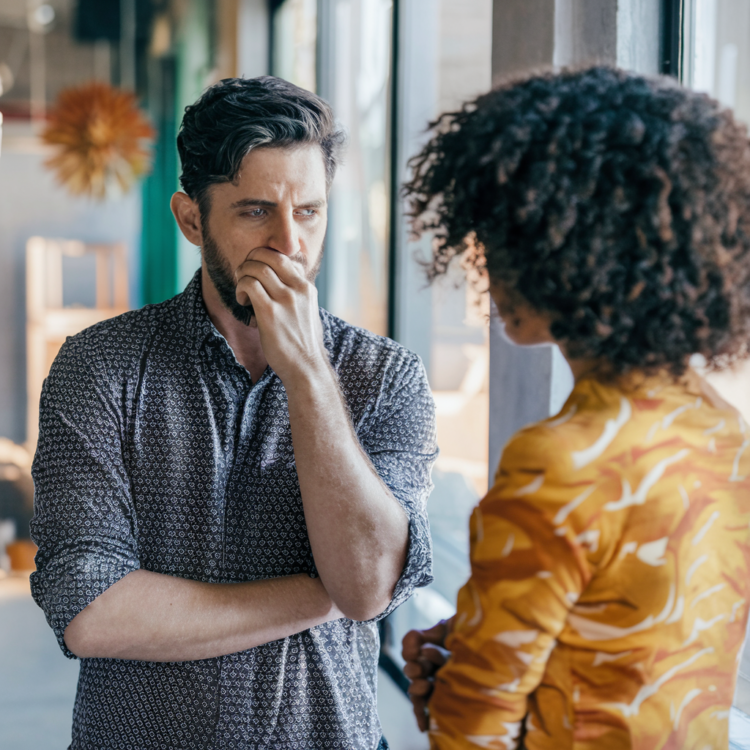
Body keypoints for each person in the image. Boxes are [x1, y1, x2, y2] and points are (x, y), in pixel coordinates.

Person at [30, 76, 437, 750]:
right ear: (191, 220)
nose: (289, 245)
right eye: (255, 212)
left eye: (308, 211)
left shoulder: (385, 377)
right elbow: (89, 609)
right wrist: (319, 595)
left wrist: (307, 371)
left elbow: (367, 588)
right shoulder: (98, 367)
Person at [400, 66, 750, 749]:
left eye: (507, 231)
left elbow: (472, 736)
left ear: (570, 244)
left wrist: (462, 689)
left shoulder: (559, 461)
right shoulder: (720, 428)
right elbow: (642, 645)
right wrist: (488, 638)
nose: (485, 256)